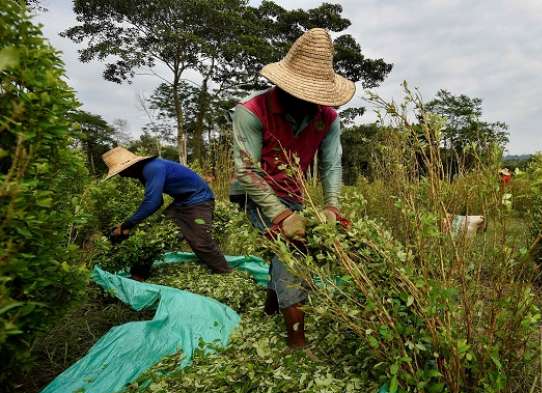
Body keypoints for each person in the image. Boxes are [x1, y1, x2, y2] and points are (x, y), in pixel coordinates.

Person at [228, 28, 354, 348]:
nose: (310, 102)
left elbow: (331, 166)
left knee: (300, 243)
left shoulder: (328, 118)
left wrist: (332, 207)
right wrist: (282, 217)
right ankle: (297, 344)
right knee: (292, 249)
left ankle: (272, 306)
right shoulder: (251, 112)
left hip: (292, 194)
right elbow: (247, 171)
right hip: (253, 193)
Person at [103, 147, 233, 274]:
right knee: (154, 238)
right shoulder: (144, 172)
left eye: (121, 171)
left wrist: (127, 225)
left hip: (199, 201)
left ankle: (227, 274)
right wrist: (128, 226)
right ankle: (138, 276)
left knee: (201, 243)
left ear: (129, 167)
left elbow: (152, 202)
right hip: (181, 202)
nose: (121, 175)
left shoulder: (152, 168)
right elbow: (157, 201)